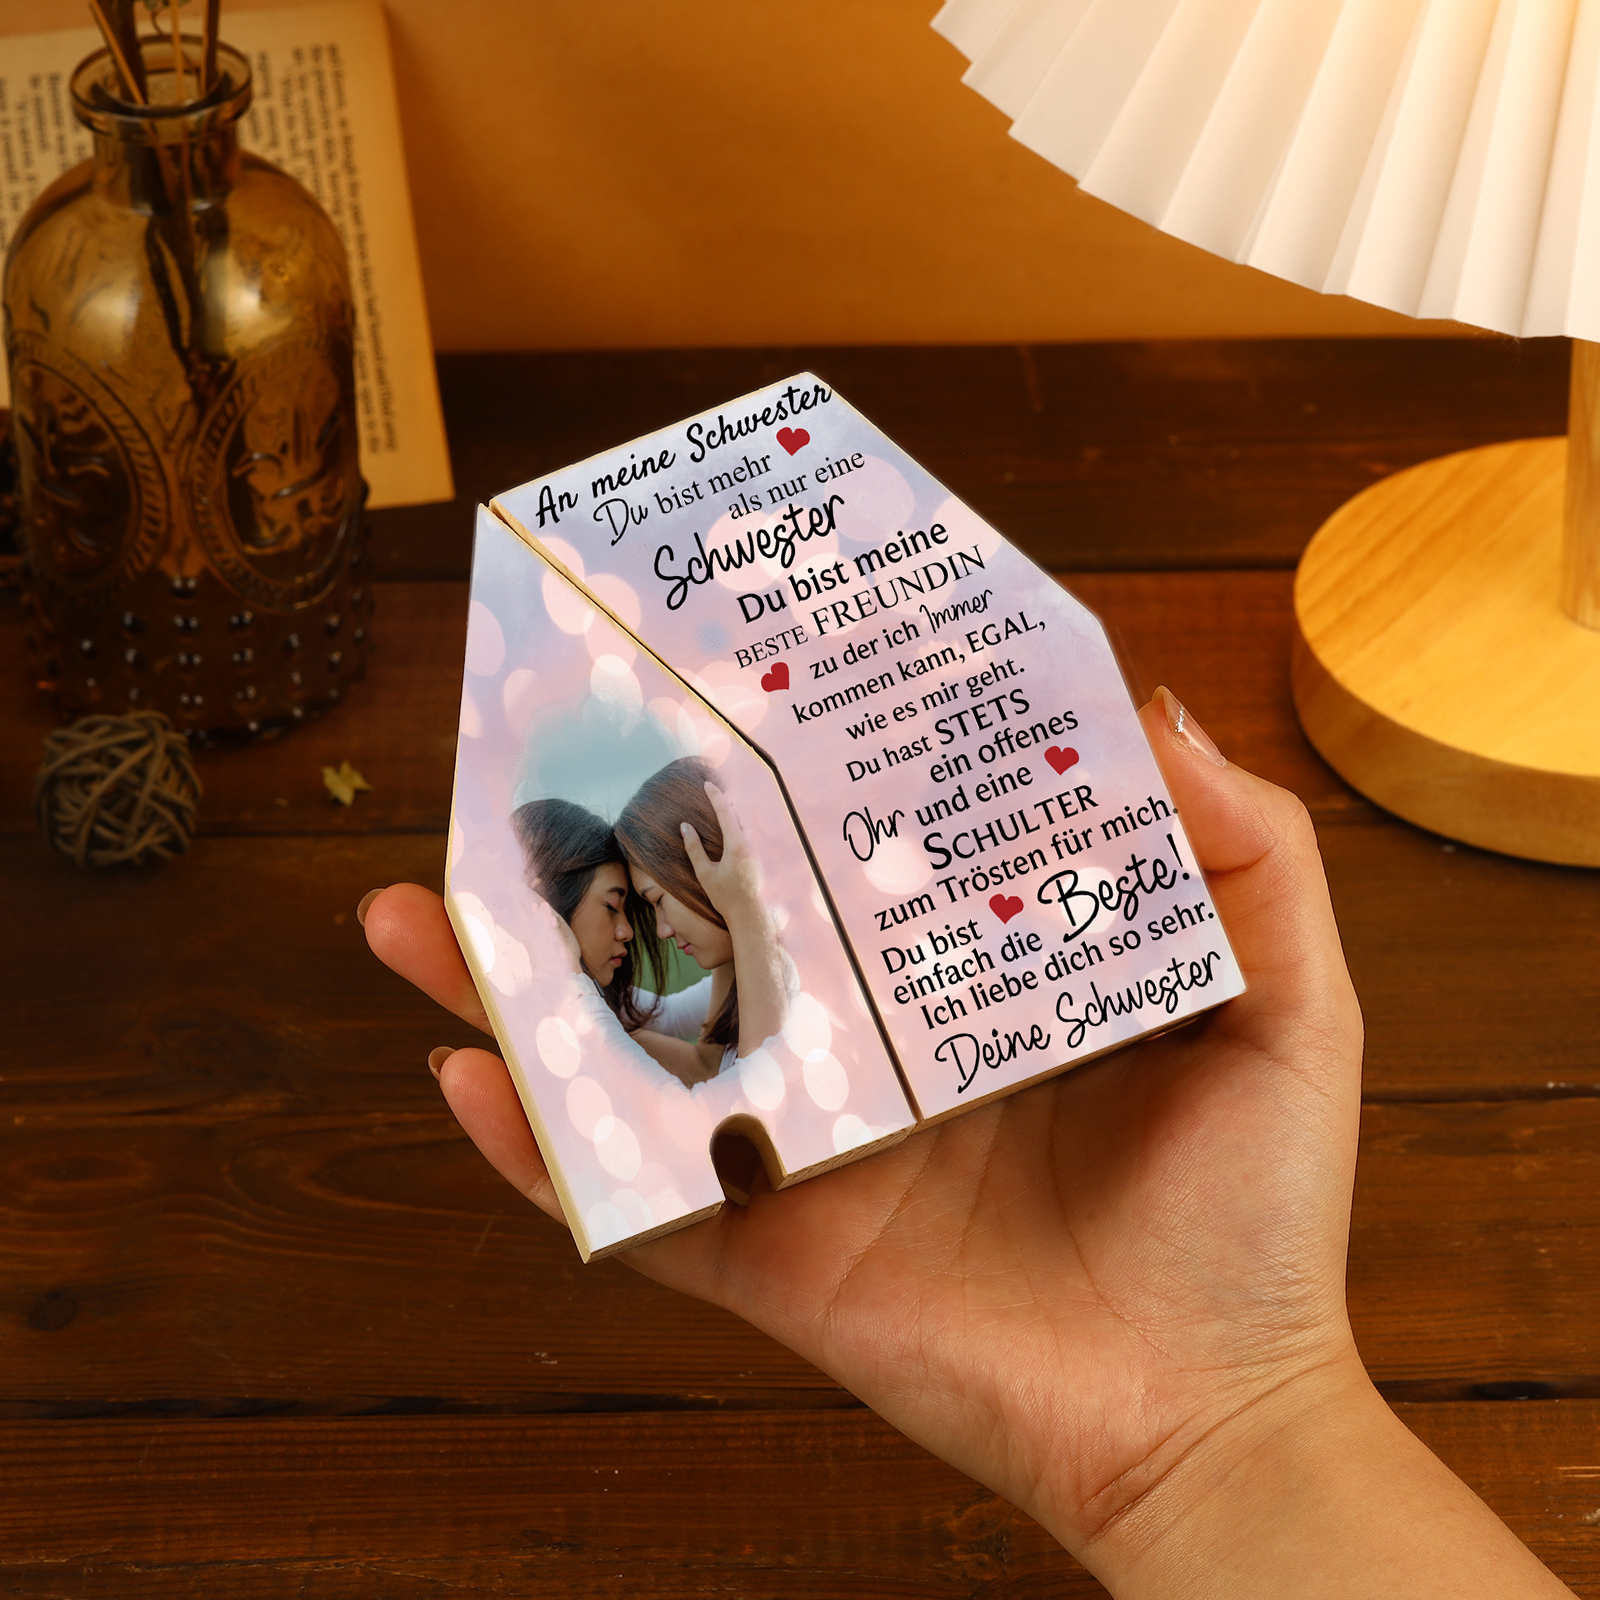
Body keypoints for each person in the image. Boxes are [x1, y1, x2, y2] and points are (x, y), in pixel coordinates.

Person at [360, 691, 1576, 1599]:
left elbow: (756, 1036)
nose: (649, 931)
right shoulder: (676, 1022)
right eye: (625, 904)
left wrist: (1237, 1414)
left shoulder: (781, 990)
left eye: (655, 899)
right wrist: (1233, 1432)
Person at [614, 758, 791, 1086]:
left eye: (658, 900)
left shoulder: (797, 974)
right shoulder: (737, 957)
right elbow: (708, 1066)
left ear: (711, 864)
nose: (662, 930)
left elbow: (764, 1092)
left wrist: (743, 909)